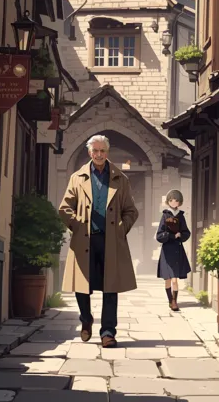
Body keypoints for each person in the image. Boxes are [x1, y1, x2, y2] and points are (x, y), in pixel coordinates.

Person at [59, 134, 138, 348]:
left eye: (103, 151)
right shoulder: (77, 178)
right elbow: (64, 208)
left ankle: (108, 332)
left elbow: (131, 211)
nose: (99, 154)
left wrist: (121, 230)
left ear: (107, 152)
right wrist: (77, 225)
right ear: (89, 153)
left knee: (110, 287)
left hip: (111, 241)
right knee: (81, 285)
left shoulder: (121, 179)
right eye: (96, 151)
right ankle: (86, 319)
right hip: (84, 240)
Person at [156, 189, 191, 311]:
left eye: (176, 200)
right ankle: (170, 300)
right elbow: (159, 235)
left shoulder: (181, 216)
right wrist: (171, 236)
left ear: (179, 202)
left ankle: (174, 301)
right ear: (168, 201)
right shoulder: (165, 215)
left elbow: (187, 232)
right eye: (171, 200)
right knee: (168, 279)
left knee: (175, 279)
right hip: (167, 250)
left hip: (177, 250)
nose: (174, 202)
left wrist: (180, 235)